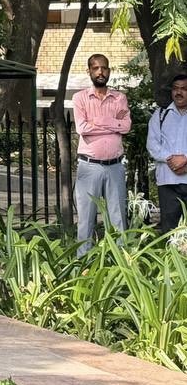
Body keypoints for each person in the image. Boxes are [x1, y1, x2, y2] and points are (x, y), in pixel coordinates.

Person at [73, 53, 131, 255]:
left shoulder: (119, 97)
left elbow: (126, 126)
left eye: (104, 68)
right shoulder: (79, 98)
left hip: (115, 166)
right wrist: (113, 123)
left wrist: (97, 121)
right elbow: (82, 128)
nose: (100, 72)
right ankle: (82, 264)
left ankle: (121, 263)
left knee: (118, 217)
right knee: (86, 218)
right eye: (96, 68)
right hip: (89, 167)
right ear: (89, 71)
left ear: (109, 71)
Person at [146, 72, 187, 234]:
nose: (179, 92)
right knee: (170, 231)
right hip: (168, 183)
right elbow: (152, 144)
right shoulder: (160, 115)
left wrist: (185, 160)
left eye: (184, 89)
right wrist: (171, 159)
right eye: (176, 88)